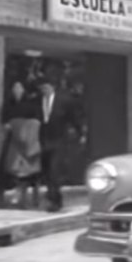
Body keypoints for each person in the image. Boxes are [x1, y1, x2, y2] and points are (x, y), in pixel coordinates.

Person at [36, 77, 82, 212]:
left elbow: (74, 118)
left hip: (59, 139)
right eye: (42, 89)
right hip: (44, 139)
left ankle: (54, 200)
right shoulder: (39, 101)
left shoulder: (64, 101)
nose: (44, 91)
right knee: (46, 172)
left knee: (54, 170)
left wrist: (79, 133)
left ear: (52, 87)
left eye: (46, 88)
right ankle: (54, 197)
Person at [0, 81, 42, 209]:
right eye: (14, 87)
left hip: (29, 141)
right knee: (13, 168)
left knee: (30, 171)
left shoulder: (30, 105)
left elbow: (36, 121)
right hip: (13, 140)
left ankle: (30, 196)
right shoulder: (8, 104)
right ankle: (15, 194)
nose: (16, 90)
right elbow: (4, 121)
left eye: (19, 87)